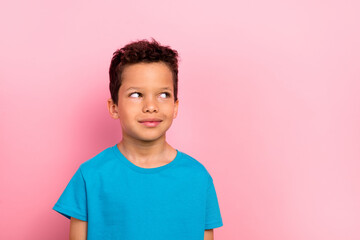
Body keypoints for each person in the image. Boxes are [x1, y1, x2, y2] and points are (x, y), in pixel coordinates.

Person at [52, 39, 223, 240]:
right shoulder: (90, 176)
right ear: (114, 107)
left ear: (175, 106)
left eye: (163, 94)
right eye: (136, 94)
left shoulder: (198, 178)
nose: (151, 106)